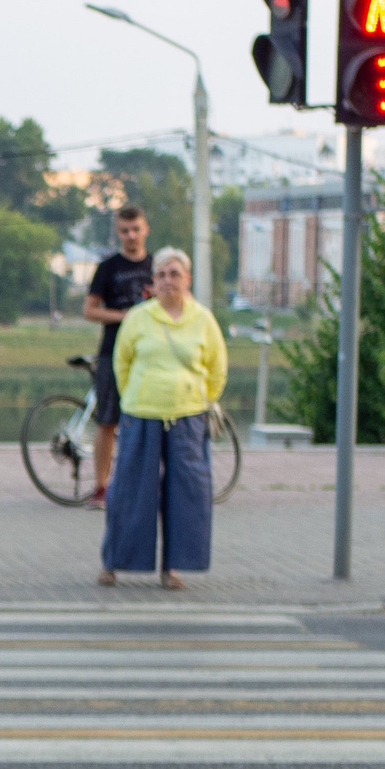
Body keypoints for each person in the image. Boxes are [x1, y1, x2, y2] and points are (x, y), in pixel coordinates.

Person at [99, 245, 225, 590]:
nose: (167, 281)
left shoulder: (203, 320)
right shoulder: (138, 317)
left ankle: (174, 567)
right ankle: (114, 562)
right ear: (152, 281)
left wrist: (200, 398)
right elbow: (121, 363)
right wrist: (134, 397)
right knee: (129, 491)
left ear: (187, 279)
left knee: (188, 495)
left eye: (174, 274)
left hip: (187, 416)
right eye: (161, 275)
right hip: (141, 413)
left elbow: (217, 369)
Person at [78, 204, 155, 505]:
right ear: (117, 232)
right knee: (107, 421)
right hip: (113, 351)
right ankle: (101, 487)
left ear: (145, 229)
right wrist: (124, 317)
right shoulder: (108, 268)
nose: (131, 236)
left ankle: (144, 485)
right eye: (124, 231)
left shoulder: (156, 265)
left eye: (136, 229)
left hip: (149, 354)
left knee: (148, 419)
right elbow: (89, 310)